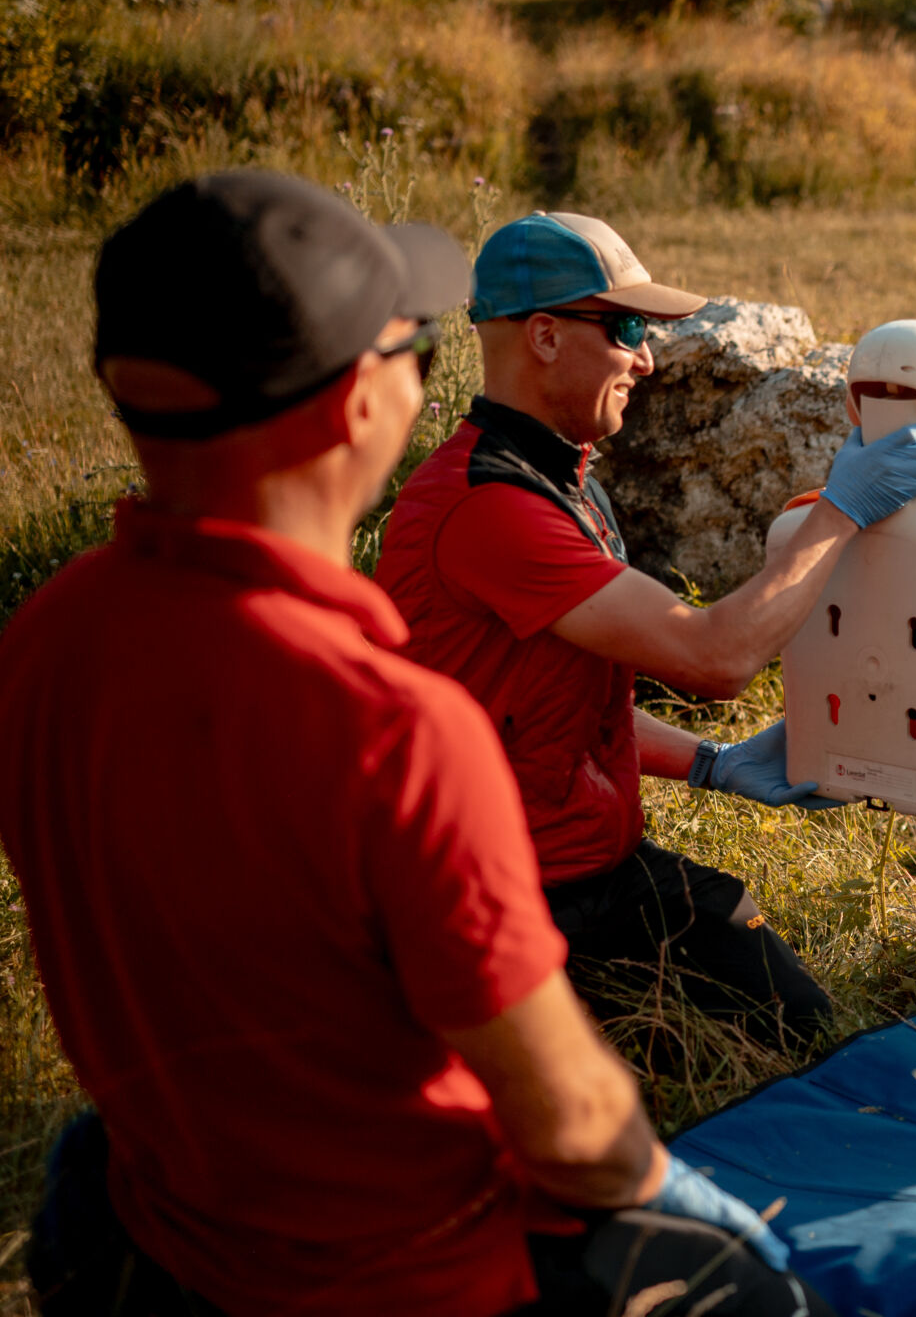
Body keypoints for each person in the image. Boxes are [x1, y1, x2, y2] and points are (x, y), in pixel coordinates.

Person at [1, 171, 832, 1316]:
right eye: (415, 352)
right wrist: (672, 1194)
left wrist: (704, 761)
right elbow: (575, 1124)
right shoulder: (389, 729)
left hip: (166, 1229)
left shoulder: (45, 639)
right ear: (357, 406)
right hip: (410, 1269)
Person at [375, 211, 916, 1047]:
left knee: (807, 1030)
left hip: (598, 868)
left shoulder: (564, 480)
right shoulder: (487, 509)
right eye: (628, 328)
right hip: (498, 897)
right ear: (543, 335)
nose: (646, 358)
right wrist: (842, 508)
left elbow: (552, 701)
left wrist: (711, 763)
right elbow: (715, 658)